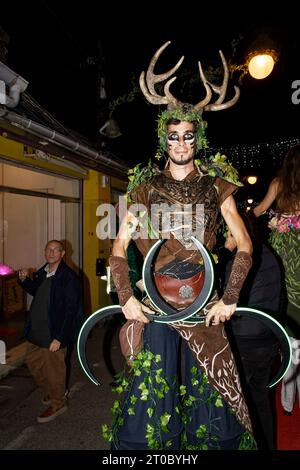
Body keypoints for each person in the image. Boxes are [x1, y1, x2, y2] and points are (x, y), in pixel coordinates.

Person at [108, 42, 255, 450]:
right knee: (155, 405)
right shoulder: (144, 189)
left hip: (204, 308)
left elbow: (243, 244)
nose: (180, 143)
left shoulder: (216, 187)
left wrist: (229, 298)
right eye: (173, 136)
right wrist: (126, 299)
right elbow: (119, 249)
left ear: (198, 138)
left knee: (214, 408)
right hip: (156, 309)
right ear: (164, 138)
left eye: (188, 136)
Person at [220, 213, 282, 449]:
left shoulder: (240, 259)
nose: (227, 235)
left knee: (238, 403)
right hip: (266, 338)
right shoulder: (270, 254)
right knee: (261, 400)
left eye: (229, 230)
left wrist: (226, 251)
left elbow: (222, 292)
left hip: (243, 339)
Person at [253, 145, 300, 417]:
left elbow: (258, 210)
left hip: (283, 252)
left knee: (283, 300)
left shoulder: (278, 182)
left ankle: (287, 392)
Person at [18, 240, 82, 423]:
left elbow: (71, 310)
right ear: (45, 252)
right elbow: (37, 291)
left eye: (56, 250)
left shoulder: (68, 278)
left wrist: (60, 338)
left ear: (62, 254)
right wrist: (24, 281)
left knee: (54, 370)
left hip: (52, 333)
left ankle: (58, 402)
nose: (52, 253)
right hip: (35, 331)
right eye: (49, 249)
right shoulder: (43, 271)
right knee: (34, 364)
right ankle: (54, 391)